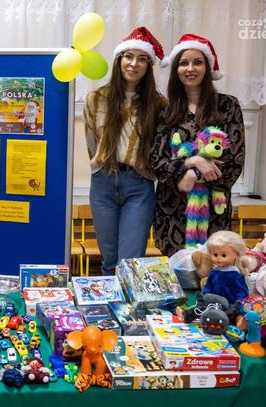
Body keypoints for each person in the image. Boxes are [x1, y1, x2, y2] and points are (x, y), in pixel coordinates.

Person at [151, 34, 245, 256]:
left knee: (213, 268)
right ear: (176, 70)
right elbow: (156, 162)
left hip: (213, 210)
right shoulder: (166, 111)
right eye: (184, 63)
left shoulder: (228, 106)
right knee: (177, 272)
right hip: (172, 212)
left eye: (197, 62)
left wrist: (194, 174)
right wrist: (191, 162)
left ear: (207, 68)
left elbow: (235, 160)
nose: (190, 68)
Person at [83, 27, 166, 275]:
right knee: (109, 259)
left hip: (139, 184)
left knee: (130, 262)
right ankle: (109, 300)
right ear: (119, 60)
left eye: (142, 59)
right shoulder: (96, 98)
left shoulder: (158, 104)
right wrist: (100, 165)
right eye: (128, 56)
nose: (133, 64)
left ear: (148, 66)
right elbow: (91, 141)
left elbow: (160, 146)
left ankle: (129, 301)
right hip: (103, 182)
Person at [202, 230, 248, 305]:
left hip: (231, 306)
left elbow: (242, 293)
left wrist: (238, 305)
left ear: (236, 254)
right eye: (215, 254)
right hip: (213, 305)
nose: (218, 258)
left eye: (223, 255)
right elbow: (208, 287)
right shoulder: (214, 273)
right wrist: (205, 298)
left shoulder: (236, 276)